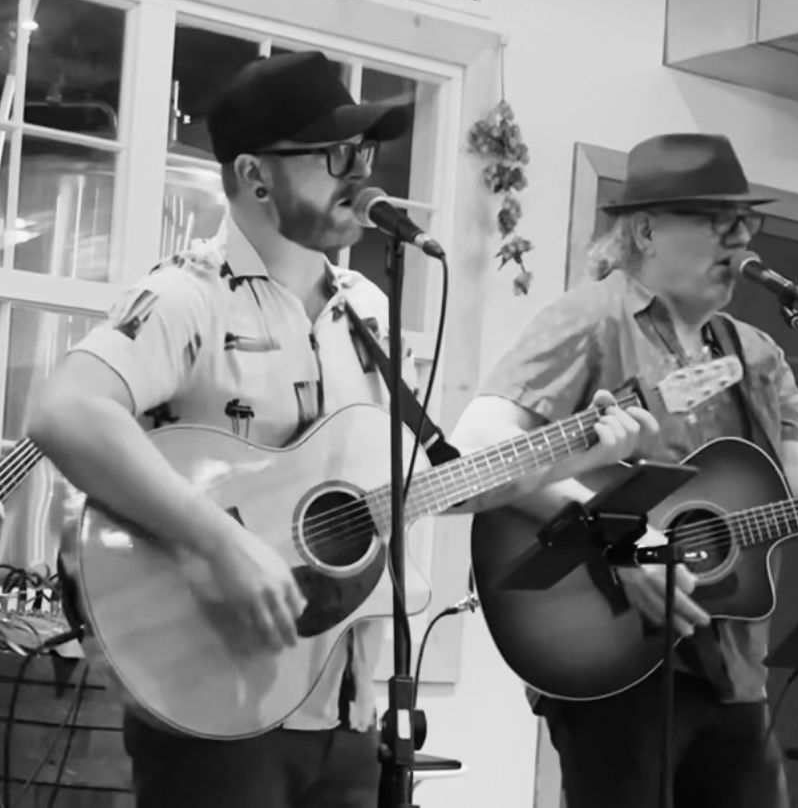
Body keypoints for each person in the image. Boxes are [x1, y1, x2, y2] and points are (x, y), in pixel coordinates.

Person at [24, 51, 647, 808]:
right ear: (255, 176)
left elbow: (422, 488)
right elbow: (66, 412)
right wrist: (222, 544)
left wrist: (574, 451)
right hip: (218, 704)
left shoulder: (367, 313)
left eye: (365, 153)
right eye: (335, 155)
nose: (362, 175)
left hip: (349, 711)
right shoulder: (189, 297)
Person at [451, 133, 798, 808]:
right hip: (610, 649)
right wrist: (620, 541)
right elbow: (478, 444)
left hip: (733, 663)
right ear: (645, 230)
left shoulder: (756, 354)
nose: (740, 239)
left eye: (744, 221)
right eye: (715, 220)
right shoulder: (589, 319)